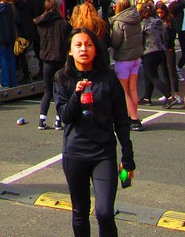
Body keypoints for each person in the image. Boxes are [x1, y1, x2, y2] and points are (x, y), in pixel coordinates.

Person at [54, 28, 136, 237]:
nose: (84, 49)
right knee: (80, 213)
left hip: (103, 154)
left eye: (89, 45)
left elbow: (121, 120)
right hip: (75, 154)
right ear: (70, 50)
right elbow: (65, 116)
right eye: (78, 45)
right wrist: (77, 94)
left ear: (96, 50)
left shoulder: (108, 78)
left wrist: (128, 156)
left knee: (105, 213)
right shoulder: (62, 78)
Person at [35, 0, 70, 130]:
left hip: (46, 60)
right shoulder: (63, 24)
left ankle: (42, 120)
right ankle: (58, 121)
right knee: (60, 90)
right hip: (60, 59)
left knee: (48, 91)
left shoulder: (40, 24)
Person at [110, 0, 144, 131]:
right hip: (136, 57)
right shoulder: (136, 18)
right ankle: (134, 116)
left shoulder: (119, 21)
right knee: (133, 88)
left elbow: (115, 42)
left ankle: (133, 118)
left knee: (124, 91)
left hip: (124, 58)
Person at [138, 1, 176, 107]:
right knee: (149, 74)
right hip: (161, 51)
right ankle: (147, 97)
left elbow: (139, 38)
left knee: (153, 76)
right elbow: (165, 37)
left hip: (149, 52)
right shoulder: (160, 22)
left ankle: (169, 97)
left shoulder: (144, 23)